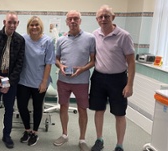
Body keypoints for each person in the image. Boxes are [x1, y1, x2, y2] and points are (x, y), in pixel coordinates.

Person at [89, 5, 135, 151]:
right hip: (98, 78)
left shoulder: (124, 36)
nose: (103, 19)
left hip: (118, 79)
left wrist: (130, 85)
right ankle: (99, 139)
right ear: (97, 19)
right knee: (99, 110)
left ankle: (119, 145)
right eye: (101, 17)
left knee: (119, 113)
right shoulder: (94, 35)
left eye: (107, 16)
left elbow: (131, 62)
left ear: (113, 17)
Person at [52, 10, 95, 151]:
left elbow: (93, 61)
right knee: (63, 106)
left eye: (75, 18)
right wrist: (61, 66)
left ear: (80, 21)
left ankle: (82, 139)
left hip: (81, 81)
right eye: (70, 19)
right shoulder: (61, 40)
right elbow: (56, 59)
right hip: (63, 80)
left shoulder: (90, 38)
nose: (72, 21)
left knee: (82, 109)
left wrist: (82, 69)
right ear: (66, 22)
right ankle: (64, 134)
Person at [0, 11, 25, 149]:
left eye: (15, 22)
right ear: (4, 22)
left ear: (18, 23)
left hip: (11, 80)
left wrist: (9, 82)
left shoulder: (20, 40)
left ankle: (6, 135)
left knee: (9, 109)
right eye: (10, 22)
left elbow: (20, 63)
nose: (12, 25)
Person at [16, 16, 55, 146]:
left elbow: (49, 63)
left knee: (38, 107)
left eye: (36, 25)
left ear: (41, 26)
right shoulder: (23, 39)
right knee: (22, 106)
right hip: (23, 80)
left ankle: (35, 132)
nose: (34, 27)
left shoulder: (47, 41)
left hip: (39, 80)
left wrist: (44, 82)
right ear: (28, 27)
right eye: (31, 25)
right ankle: (27, 130)